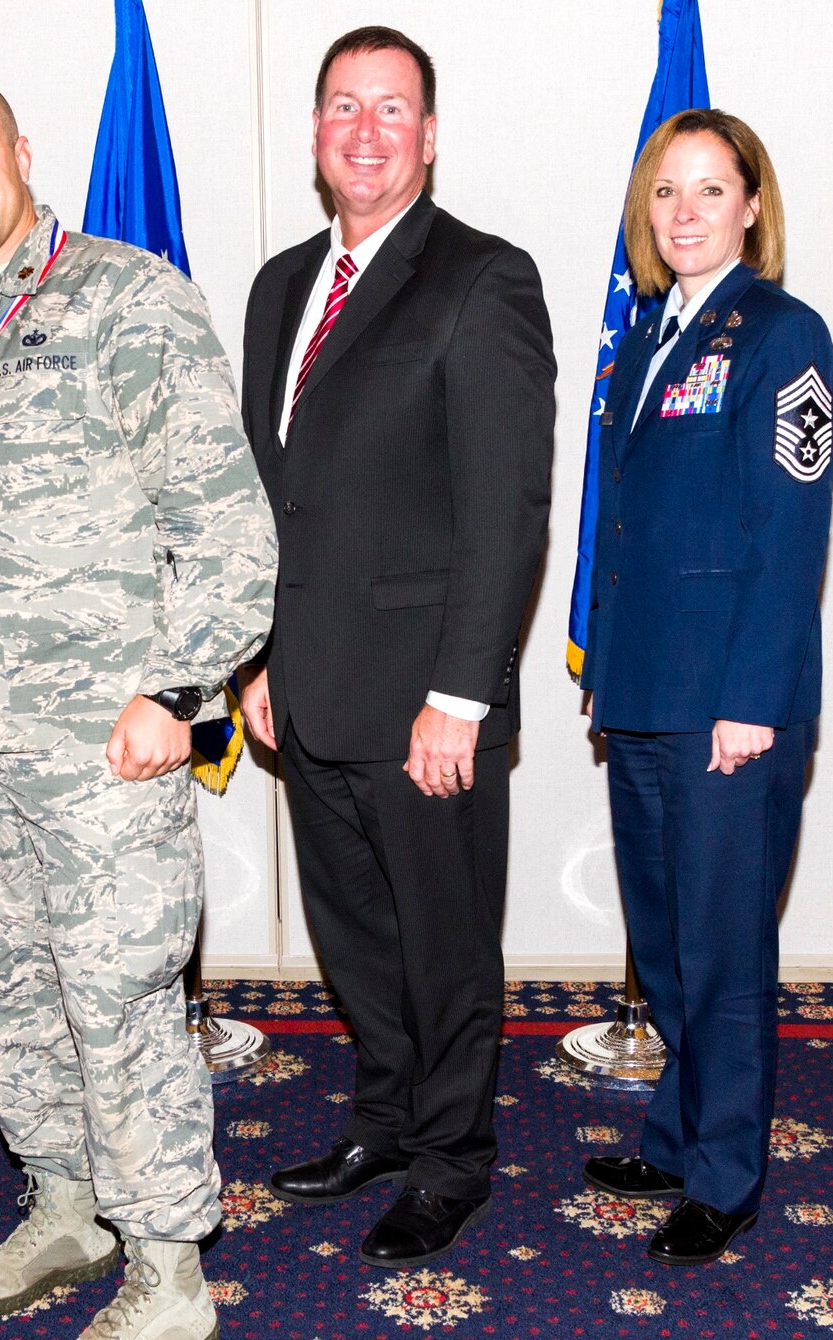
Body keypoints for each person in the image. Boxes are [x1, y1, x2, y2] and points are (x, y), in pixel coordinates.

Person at [0, 73, 276, 1340]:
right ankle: (66, 1204)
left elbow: (229, 530)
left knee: (123, 1013)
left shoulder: (128, 297)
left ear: (23, 156)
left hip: (106, 750)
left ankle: (166, 1278)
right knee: (0, 1002)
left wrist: (178, 693)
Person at [238, 27, 555, 1267]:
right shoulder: (277, 287)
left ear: (427, 134)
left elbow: (504, 511)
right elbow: (264, 499)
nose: (363, 131)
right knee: (357, 938)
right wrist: (251, 659)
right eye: (340, 107)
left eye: (391, 109)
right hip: (305, 693)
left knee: (443, 946)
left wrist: (457, 697)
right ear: (315, 132)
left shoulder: (482, 278)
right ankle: (378, 1120)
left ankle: (451, 1159)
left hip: (426, 704)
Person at [578, 108, 833, 1266]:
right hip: (640, 690)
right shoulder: (642, 335)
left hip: (727, 704)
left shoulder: (783, 335)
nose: (682, 213)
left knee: (724, 947)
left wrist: (752, 697)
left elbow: (788, 537)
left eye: (707, 190)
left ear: (750, 205)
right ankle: (678, 1133)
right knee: (668, 939)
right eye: (664, 193)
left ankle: (726, 1173)